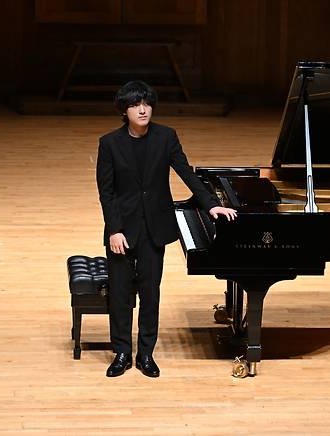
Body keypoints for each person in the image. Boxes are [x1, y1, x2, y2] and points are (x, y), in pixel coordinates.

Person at [96, 80, 236, 377]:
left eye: (146, 103)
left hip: (154, 228)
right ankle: (121, 352)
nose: (143, 109)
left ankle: (145, 354)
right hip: (122, 229)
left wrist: (211, 204)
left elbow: (187, 172)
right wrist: (114, 230)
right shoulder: (109, 143)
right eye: (135, 105)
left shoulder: (166, 137)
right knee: (120, 294)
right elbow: (106, 192)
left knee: (150, 293)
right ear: (125, 110)